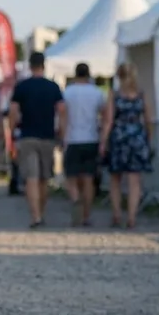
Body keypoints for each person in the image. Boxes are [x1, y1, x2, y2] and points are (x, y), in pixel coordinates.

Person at [9, 52, 66, 228]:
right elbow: (62, 111)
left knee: (31, 178)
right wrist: (61, 133)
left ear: (29, 65)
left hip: (27, 135)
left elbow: (13, 111)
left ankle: (35, 216)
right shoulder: (53, 87)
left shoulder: (22, 87)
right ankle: (41, 211)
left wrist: (11, 132)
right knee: (44, 178)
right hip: (48, 136)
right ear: (44, 65)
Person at [102, 62, 153, 228]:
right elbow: (148, 119)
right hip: (137, 137)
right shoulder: (140, 95)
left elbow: (109, 120)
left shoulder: (115, 95)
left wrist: (103, 141)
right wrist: (148, 138)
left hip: (119, 137)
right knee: (134, 180)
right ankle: (132, 217)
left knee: (115, 179)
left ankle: (117, 214)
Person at [62, 63, 107, 226]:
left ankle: (75, 199)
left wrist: (62, 136)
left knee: (71, 177)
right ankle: (86, 215)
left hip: (72, 138)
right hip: (91, 138)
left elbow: (63, 115)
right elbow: (105, 114)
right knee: (89, 179)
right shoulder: (97, 93)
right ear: (89, 75)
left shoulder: (67, 92)